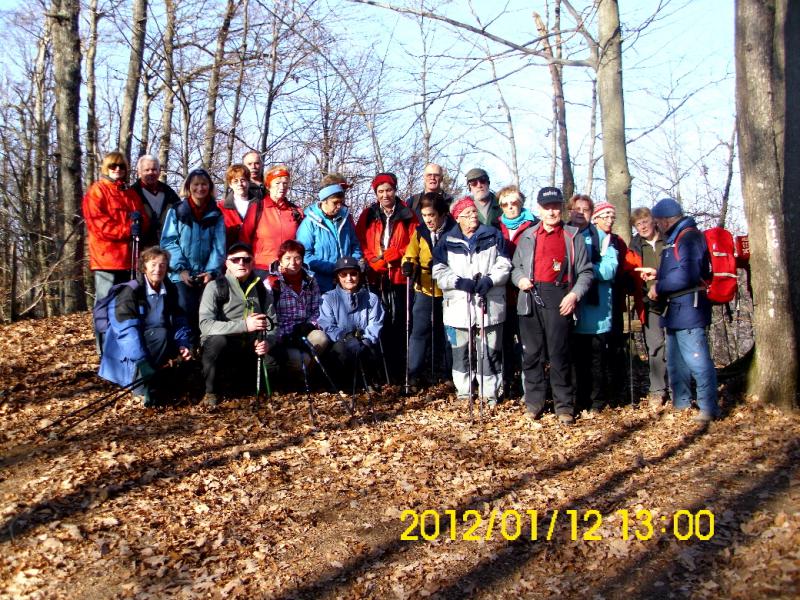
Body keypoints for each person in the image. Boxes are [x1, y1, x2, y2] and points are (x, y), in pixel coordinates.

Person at [511, 187, 593, 425]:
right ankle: (534, 404)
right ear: (539, 209)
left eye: (555, 207)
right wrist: (520, 280)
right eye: (547, 207)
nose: (551, 212)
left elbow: (586, 272)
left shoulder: (573, 236)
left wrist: (574, 295)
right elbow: (515, 267)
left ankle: (564, 406)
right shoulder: (528, 235)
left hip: (560, 297)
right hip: (530, 297)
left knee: (560, 355)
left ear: (561, 209)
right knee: (531, 355)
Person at [637, 198, 720, 423]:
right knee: (676, 361)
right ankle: (681, 403)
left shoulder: (689, 237)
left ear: (665, 220)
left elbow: (688, 274)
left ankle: (708, 407)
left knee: (696, 359)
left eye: (657, 221)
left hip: (690, 308)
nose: (656, 225)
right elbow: (679, 268)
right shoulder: (676, 238)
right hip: (675, 310)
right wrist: (657, 274)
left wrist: (659, 287)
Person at [432, 198, 511, 407]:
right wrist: (458, 282)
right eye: (466, 214)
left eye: (474, 212)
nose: (472, 216)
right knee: (460, 353)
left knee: (489, 352)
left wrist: (490, 280)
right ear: (457, 218)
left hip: (489, 304)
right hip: (458, 306)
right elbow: (439, 271)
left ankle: (489, 394)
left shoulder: (493, 235)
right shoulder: (446, 241)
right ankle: (464, 393)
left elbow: (504, 263)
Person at [98, 246, 193, 406]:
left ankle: (158, 384)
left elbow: (178, 319)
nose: (158, 269)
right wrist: (142, 362)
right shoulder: (129, 292)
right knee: (160, 335)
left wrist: (183, 343)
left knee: (165, 336)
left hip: (155, 340)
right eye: (153, 265)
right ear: (144, 267)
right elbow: (126, 332)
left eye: (162, 265)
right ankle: (141, 389)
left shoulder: (170, 289)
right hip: (125, 349)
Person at [83, 151, 151, 353]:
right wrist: (128, 230)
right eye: (113, 166)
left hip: (130, 260)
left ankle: (123, 348)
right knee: (104, 307)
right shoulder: (97, 191)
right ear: (106, 168)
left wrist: (140, 224)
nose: (117, 170)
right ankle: (104, 351)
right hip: (107, 261)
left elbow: (143, 219)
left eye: (121, 166)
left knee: (126, 306)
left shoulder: (130, 194)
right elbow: (99, 225)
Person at [355, 172, 418, 382]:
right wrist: (373, 260)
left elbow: (415, 241)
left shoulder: (407, 214)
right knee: (377, 321)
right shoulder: (369, 214)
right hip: (375, 276)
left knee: (399, 323)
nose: (385, 195)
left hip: (399, 276)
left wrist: (398, 253)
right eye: (380, 191)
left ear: (395, 190)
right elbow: (360, 240)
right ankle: (379, 370)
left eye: (388, 190)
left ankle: (399, 369)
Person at [199, 242, 277, 407]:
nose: (241, 263)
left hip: (250, 345)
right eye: (235, 260)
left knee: (273, 365)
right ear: (227, 263)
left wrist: (267, 342)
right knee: (217, 341)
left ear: (252, 263)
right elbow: (205, 325)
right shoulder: (215, 287)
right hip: (224, 345)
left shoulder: (261, 289)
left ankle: (241, 384)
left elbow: (272, 323)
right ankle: (210, 391)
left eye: (246, 260)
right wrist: (244, 325)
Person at [401, 192, 457, 390]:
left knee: (449, 333)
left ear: (442, 213)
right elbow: (410, 254)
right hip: (425, 287)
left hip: (450, 291)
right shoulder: (420, 232)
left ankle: (451, 374)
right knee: (419, 331)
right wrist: (408, 265)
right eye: (425, 215)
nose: (428, 220)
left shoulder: (455, 231)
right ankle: (413, 374)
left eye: (431, 215)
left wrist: (443, 263)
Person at [160, 168, 226, 335]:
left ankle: (202, 345)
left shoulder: (216, 213)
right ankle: (184, 346)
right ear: (188, 186)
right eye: (196, 184)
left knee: (207, 310)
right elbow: (168, 241)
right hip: (180, 274)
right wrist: (181, 269)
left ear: (209, 187)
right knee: (182, 309)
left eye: (204, 184)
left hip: (206, 274)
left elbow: (219, 246)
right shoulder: (177, 210)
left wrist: (211, 272)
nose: (200, 188)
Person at [570, 197, 618, 413]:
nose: (581, 213)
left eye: (586, 209)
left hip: (595, 311)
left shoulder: (602, 238)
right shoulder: (563, 234)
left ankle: (596, 402)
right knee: (573, 360)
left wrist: (585, 270)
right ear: (570, 211)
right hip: (569, 308)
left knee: (596, 359)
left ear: (591, 213)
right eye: (577, 209)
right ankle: (576, 400)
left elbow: (610, 269)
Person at [592, 201, 639, 403]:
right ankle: (599, 390)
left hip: (616, 300)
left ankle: (618, 390)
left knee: (616, 346)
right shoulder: (589, 238)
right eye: (605, 216)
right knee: (597, 349)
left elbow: (627, 264)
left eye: (612, 217)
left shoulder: (617, 241)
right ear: (595, 218)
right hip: (594, 301)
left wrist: (629, 278)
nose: (609, 220)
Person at [265, 240, 329, 386]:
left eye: (297, 258)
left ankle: (305, 378)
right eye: (287, 258)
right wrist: (283, 335)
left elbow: (317, 308)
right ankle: (294, 381)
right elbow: (268, 317)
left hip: (304, 330)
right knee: (303, 359)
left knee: (321, 338)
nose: (293, 263)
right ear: (280, 260)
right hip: (282, 335)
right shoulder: (272, 283)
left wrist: (310, 325)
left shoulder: (310, 281)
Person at [496, 186, 538, 400]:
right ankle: (505, 383)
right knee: (503, 342)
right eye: (505, 204)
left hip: (526, 290)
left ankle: (528, 388)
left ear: (521, 203)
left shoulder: (534, 225)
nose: (510, 207)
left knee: (526, 343)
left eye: (514, 203)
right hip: (502, 292)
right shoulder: (495, 227)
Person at [317, 256, 384, 390]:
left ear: (359, 275)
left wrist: (365, 340)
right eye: (344, 274)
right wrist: (345, 337)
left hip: (363, 341)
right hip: (339, 342)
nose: (349, 278)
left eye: (353, 273)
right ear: (338, 277)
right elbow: (327, 325)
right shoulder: (328, 298)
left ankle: (367, 381)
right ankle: (342, 386)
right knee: (341, 350)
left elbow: (375, 324)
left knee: (368, 349)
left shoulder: (372, 298)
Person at [628, 206, 668, 408]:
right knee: (655, 346)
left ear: (653, 221)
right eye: (638, 224)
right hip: (649, 302)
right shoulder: (635, 246)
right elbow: (629, 271)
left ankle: (679, 387)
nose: (642, 226)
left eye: (645, 221)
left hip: (674, 299)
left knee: (677, 345)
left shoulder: (668, 240)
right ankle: (658, 390)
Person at [295, 180, 362, 293]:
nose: (339, 206)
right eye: (335, 203)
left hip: (346, 281)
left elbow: (355, 245)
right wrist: (332, 268)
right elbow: (304, 254)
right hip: (320, 283)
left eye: (341, 202)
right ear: (324, 201)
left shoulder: (345, 220)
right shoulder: (309, 223)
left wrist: (352, 264)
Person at [241, 164, 304, 278]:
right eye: (277, 183)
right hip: (262, 269)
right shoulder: (257, 208)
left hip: (289, 270)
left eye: (285, 183)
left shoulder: (296, 211)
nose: (282, 187)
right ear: (268, 185)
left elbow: (302, 243)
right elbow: (244, 239)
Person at [130, 154, 181, 248]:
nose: (151, 173)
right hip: (142, 248)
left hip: (167, 246)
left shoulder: (169, 193)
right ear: (139, 172)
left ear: (159, 171)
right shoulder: (132, 194)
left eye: (154, 169)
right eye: (146, 170)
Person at [218, 164, 259, 250]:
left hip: (254, 252)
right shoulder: (221, 207)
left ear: (248, 182)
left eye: (243, 180)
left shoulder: (260, 205)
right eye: (235, 181)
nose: (240, 184)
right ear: (230, 184)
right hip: (229, 252)